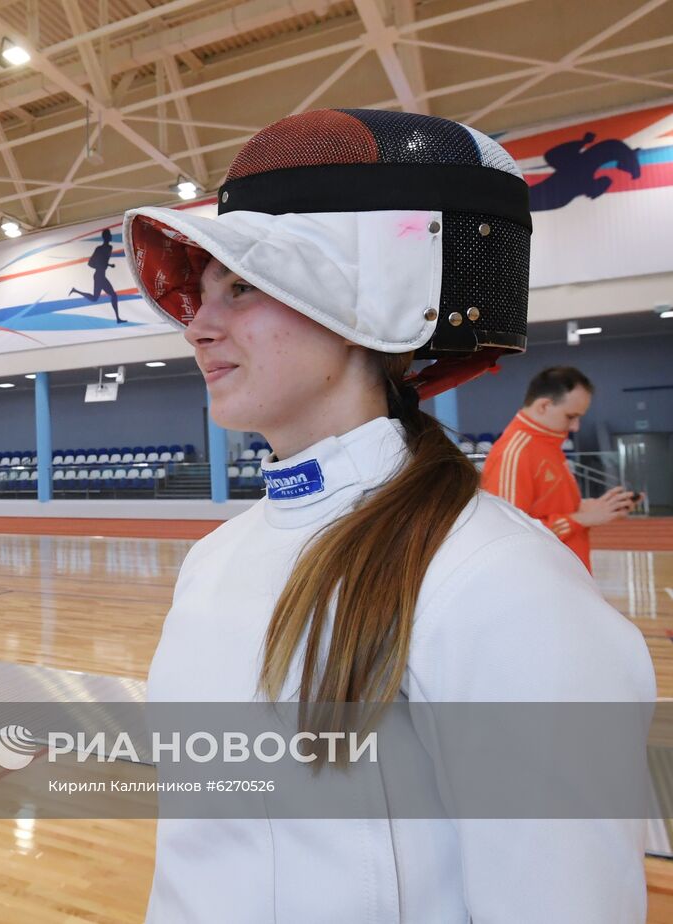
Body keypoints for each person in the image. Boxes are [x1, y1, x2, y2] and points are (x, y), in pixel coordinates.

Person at [123, 109, 653, 922]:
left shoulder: (500, 583)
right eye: (204, 290)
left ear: (371, 305)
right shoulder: (217, 557)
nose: (198, 324)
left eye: (243, 286)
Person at [482, 365, 636, 571]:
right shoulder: (515, 452)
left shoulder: (548, 443)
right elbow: (509, 535)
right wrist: (581, 519)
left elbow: (545, 507)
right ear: (543, 406)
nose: (575, 427)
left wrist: (585, 508)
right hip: (544, 580)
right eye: (571, 416)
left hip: (565, 574)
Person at [69, 228, 124, 323]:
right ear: (106, 237)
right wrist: (101, 266)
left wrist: (108, 265)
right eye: (109, 235)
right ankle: (118, 319)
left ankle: (118, 318)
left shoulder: (109, 248)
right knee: (106, 296)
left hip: (102, 275)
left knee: (104, 297)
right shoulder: (99, 249)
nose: (111, 236)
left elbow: (103, 261)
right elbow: (90, 263)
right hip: (99, 276)